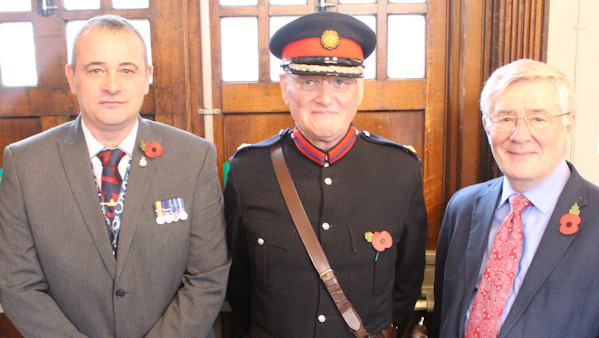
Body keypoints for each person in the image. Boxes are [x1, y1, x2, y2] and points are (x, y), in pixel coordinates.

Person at [0, 15, 230, 337]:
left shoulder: (194, 157)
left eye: (127, 69)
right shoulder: (24, 163)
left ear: (147, 77)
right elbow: (17, 284)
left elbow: (208, 275)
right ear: (72, 77)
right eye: (95, 69)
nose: (111, 85)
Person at [224, 11, 428, 337]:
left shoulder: (400, 171)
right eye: (308, 81)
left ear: (359, 90)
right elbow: (239, 284)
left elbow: (406, 283)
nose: (325, 97)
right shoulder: (247, 171)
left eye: (340, 82)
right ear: (284, 88)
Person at [433, 59, 599, 337]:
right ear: (486, 125)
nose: (520, 135)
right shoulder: (463, 207)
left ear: (568, 126)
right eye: (505, 118)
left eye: (538, 118)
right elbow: (445, 313)